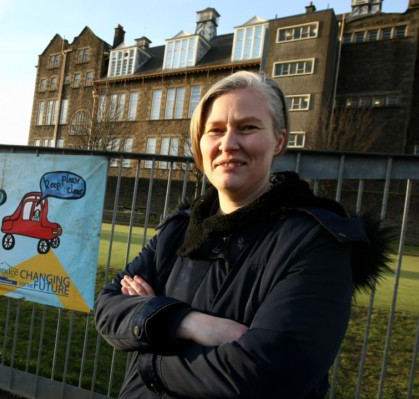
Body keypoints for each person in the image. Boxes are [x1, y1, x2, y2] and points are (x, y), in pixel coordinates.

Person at [93, 71, 391, 398]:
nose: (228, 143)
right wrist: (187, 322)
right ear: (199, 143)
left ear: (279, 139)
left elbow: (265, 376)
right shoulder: (179, 229)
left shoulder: (316, 241)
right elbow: (108, 307)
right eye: (215, 130)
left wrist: (149, 353)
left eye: (248, 127)